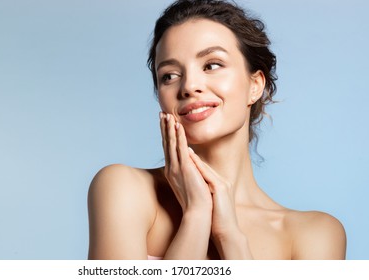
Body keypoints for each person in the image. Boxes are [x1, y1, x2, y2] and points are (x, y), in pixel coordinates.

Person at [87, 0, 346, 259]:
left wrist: (230, 237)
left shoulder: (315, 235)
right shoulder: (124, 190)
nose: (189, 85)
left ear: (255, 85)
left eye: (211, 65)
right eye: (170, 75)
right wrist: (196, 215)